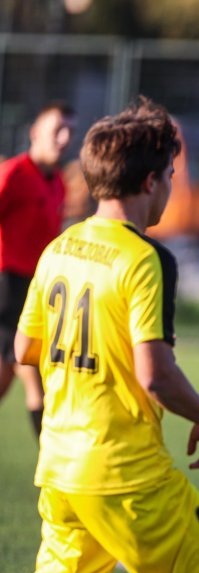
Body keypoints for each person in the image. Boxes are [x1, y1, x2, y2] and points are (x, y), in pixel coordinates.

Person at [0, 97, 199, 573]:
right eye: (169, 175)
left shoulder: (60, 247)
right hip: (123, 474)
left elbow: (25, 347)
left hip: (60, 467)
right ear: (149, 181)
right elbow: (155, 375)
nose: (170, 186)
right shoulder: (145, 259)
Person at [0, 102, 76, 439]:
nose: (64, 138)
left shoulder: (59, 182)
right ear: (35, 132)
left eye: (69, 131)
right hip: (7, 288)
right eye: (57, 129)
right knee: (38, 378)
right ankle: (55, 469)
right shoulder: (14, 173)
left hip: (35, 289)